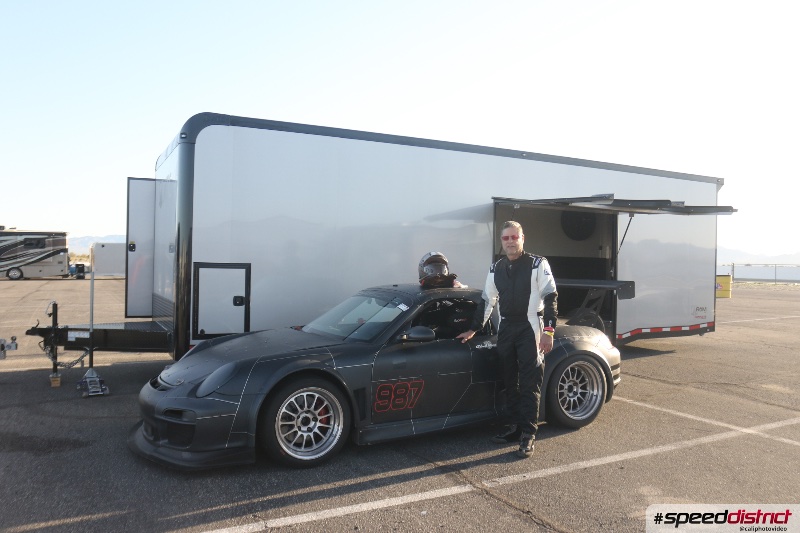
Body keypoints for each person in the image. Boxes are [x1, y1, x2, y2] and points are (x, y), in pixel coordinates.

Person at [456, 221, 557, 458]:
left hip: (531, 325)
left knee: (530, 382)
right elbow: (487, 300)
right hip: (507, 327)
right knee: (509, 381)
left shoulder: (537, 263)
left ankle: (528, 434)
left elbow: (551, 296)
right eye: (506, 238)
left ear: (523, 238)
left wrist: (549, 331)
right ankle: (513, 427)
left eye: (514, 237)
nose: (510, 242)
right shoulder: (496, 267)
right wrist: (473, 329)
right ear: (501, 242)